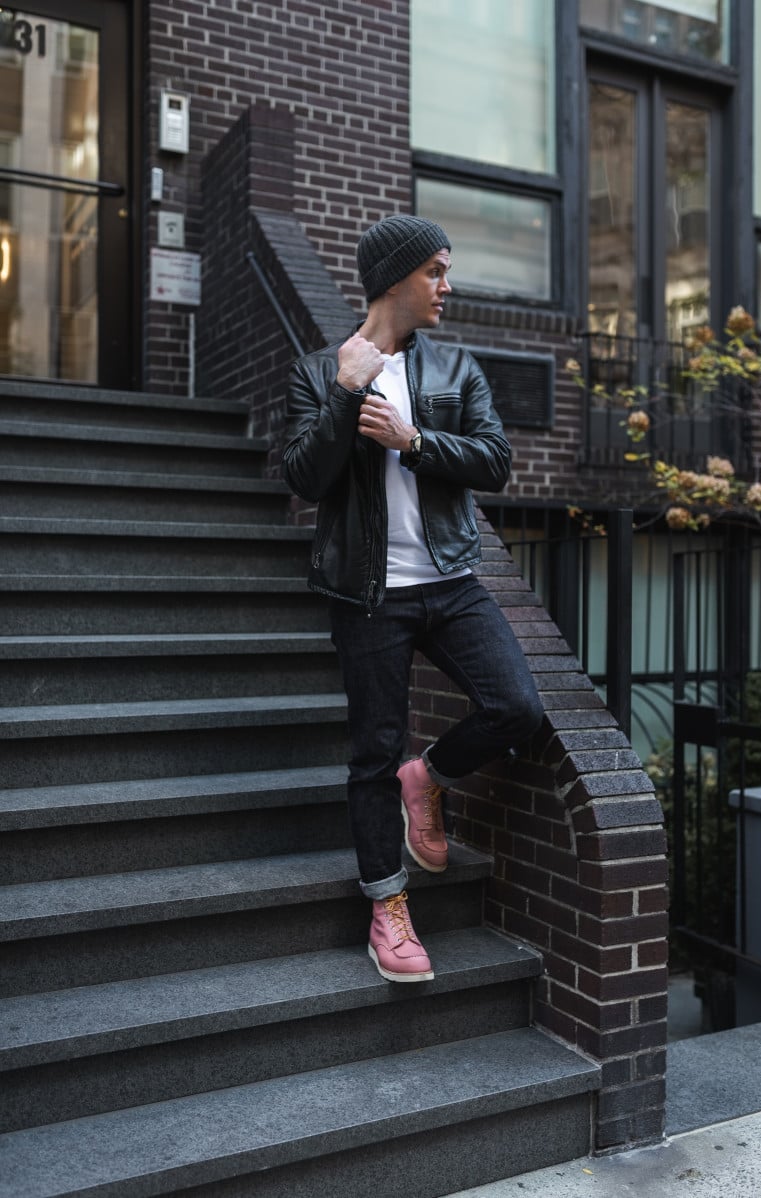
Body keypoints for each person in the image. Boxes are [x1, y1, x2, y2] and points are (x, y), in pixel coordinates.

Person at [282, 214, 543, 984]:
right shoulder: (319, 369)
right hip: (368, 596)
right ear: (395, 278)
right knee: (371, 753)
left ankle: (426, 777)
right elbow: (304, 477)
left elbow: (495, 461)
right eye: (435, 271)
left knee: (516, 706)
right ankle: (388, 906)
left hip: (451, 582)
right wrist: (344, 392)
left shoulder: (455, 367)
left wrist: (415, 442)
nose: (446, 286)